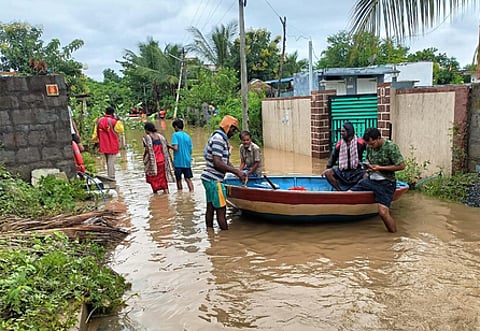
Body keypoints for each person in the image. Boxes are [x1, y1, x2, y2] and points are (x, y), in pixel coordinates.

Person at [350, 127, 405, 233]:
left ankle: (394, 236)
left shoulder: (391, 147)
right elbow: (368, 159)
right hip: (371, 180)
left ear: (379, 138)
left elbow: (401, 166)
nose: (370, 146)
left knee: (383, 212)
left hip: (386, 183)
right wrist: (367, 165)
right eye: (369, 144)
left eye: (372, 144)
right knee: (349, 193)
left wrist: (380, 168)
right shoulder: (369, 146)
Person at [201, 115, 246, 230]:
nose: (233, 133)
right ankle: (225, 240)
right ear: (229, 127)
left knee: (210, 208)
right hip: (215, 180)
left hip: (208, 179)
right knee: (221, 211)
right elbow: (218, 163)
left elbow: (224, 161)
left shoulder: (218, 137)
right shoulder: (219, 139)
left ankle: (210, 234)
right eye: (234, 130)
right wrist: (237, 172)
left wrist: (237, 172)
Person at [322, 121, 366, 191]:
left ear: (349, 132)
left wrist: (368, 163)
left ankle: (356, 189)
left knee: (366, 176)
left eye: (343, 131)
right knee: (328, 173)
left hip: (356, 171)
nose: (341, 133)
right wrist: (327, 168)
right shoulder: (339, 144)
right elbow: (333, 157)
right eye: (341, 131)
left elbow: (370, 152)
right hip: (342, 171)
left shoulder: (360, 142)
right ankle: (340, 191)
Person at [143, 122, 175, 194]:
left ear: (147, 130)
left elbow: (147, 149)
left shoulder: (147, 138)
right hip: (162, 161)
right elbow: (166, 147)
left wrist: (144, 157)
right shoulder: (161, 137)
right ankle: (166, 194)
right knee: (163, 179)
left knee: (153, 179)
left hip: (154, 162)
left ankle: (156, 196)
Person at [95, 106, 124, 179]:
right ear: (113, 113)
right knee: (111, 161)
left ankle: (109, 175)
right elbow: (121, 130)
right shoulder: (114, 121)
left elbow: (95, 133)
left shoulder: (99, 120)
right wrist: (118, 121)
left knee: (108, 161)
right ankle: (111, 177)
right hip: (112, 144)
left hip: (103, 144)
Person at [168, 118, 194, 191]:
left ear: (176, 127)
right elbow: (190, 150)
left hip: (178, 162)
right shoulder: (187, 136)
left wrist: (168, 146)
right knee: (188, 179)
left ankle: (180, 194)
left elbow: (176, 148)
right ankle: (192, 192)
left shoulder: (175, 135)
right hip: (187, 161)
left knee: (178, 180)